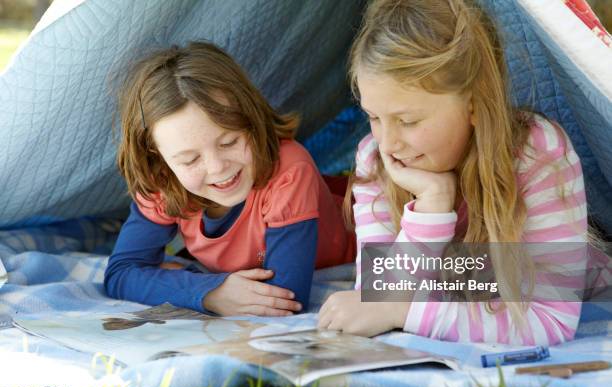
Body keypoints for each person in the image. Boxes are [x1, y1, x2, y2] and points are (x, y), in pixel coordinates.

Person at [318, 0, 589, 345]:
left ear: (474, 103)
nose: (388, 142)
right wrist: (431, 206)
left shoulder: (539, 155)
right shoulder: (376, 160)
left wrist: (403, 312)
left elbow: (552, 320)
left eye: (408, 120)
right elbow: (375, 299)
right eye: (374, 117)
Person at [105, 42, 355, 317]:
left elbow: (286, 300)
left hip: (367, 235)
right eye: (190, 160)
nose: (217, 167)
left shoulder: (289, 171)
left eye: (229, 141)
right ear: (160, 161)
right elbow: (121, 275)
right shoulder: (163, 180)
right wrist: (210, 291)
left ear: (252, 119)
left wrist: (174, 282)